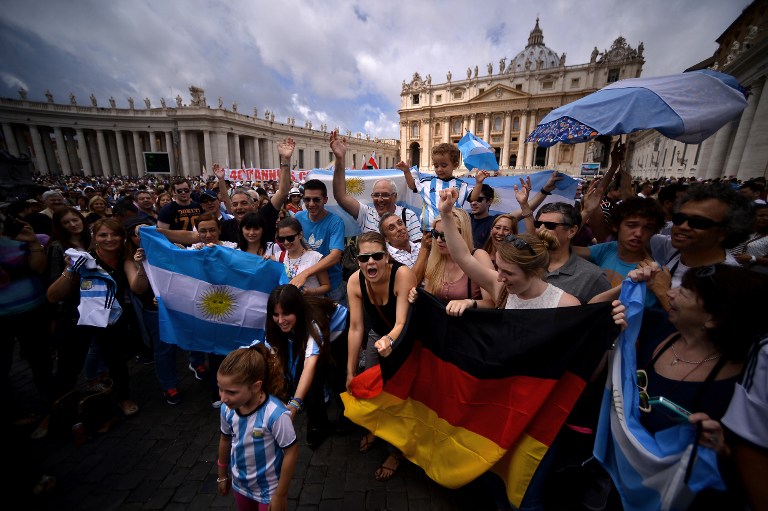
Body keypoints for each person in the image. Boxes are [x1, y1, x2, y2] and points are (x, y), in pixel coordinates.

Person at [609, 263, 767, 509]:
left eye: (684, 291)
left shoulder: (745, 381)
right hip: (624, 484)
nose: (669, 293)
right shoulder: (655, 326)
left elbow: (747, 464)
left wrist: (720, 448)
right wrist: (625, 290)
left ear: (713, 318)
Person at [46, 217, 141, 417]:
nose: (109, 239)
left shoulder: (126, 260)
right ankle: (56, 409)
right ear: (94, 237)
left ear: (123, 238)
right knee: (68, 367)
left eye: (115, 234)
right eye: (103, 235)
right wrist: (69, 269)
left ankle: (123, 397)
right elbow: (53, 296)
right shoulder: (83, 259)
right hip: (77, 320)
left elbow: (137, 287)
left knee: (117, 363)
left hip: (110, 321)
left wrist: (141, 268)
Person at [430, 188, 580, 309]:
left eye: (508, 272)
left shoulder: (567, 305)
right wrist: (446, 214)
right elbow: (463, 257)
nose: (499, 277)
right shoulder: (500, 288)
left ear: (534, 271)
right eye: (499, 269)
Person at [346, 231, 417, 481]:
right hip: (377, 336)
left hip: (404, 338)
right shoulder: (355, 281)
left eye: (377, 256)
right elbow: (356, 328)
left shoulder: (403, 274)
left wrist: (389, 340)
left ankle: (395, 452)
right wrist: (351, 370)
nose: (371, 262)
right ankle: (375, 429)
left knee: (398, 397)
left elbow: (400, 323)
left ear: (387, 257)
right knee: (371, 389)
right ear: (358, 261)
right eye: (365, 258)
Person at [216, 344, 298, 511]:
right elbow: (225, 439)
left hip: (269, 491)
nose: (223, 398)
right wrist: (222, 474)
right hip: (240, 486)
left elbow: (291, 451)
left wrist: (280, 495)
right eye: (220, 389)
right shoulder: (227, 409)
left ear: (255, 386)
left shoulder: (276, 415)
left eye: (231, 392)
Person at [649, 182, 753, 308]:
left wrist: (663, 293)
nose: (683, 226)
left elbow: (710, 326)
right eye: (679, 218)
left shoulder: (729, 282)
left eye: (698, 222)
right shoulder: (673, 248)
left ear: (725, 232)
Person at [0, 215, 54, 435]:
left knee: (41, 359)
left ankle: (51, 403)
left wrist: (33, 242)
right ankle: (11, 412)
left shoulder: (20, 242)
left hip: (32, 308)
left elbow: (39, 268)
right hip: (3, 315)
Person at [265, 285, 336, 448]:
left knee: (323, 378)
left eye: (286, 314)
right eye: (276, 314)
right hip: (306, 335)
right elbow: (270, 353)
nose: (280, 320)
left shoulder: (313, 323)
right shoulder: (277, 323)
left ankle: (319, 425)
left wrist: (295, 404)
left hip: (338, 337)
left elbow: (309, 365)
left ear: (297, 310)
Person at [331, 131, 421, 242]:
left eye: (385, 195)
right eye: (376, 195)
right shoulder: (366, 214)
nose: (379, 199)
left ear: (395, 196)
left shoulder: (408, 216)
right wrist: (340, 159)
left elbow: (419, 250)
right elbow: (340, 195)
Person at [423, 207, 496, 315]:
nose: (438, 240)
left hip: (470, 327)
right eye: (436, 234)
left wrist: (469, 303)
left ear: (461, 235)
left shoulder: (478, 256)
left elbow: (493, 303)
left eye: (444, 236)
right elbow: (428, 297)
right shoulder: (435, 258)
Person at [293, 179, 346, 304]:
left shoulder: (335, 222)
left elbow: (335, 256)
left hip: (332, 284)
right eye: (307, 199)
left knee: (337, 322)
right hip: (307, 284)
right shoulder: (298, 217)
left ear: (325, 199)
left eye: (316, 199)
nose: (311, 204)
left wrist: (305, 273)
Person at [398, 142, 472, 232]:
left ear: (455, 165)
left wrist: (479, 183)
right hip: (428, 230)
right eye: (436, 166)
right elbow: (412, 185)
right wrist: (406, 171)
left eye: (444, 165)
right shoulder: (428, 182)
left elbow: (473, 197)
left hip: (452, 231)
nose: (439, 169)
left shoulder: (461, 185)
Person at [271, 217, 330, 296]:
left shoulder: (315, 257)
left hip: (311, 305)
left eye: (290, 238)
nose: (286, 242)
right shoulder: (277, 257)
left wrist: (311, 292)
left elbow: (326, 285)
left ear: (300, 235)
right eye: (281, 239)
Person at [379, 212, 430, 282]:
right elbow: (411, 283)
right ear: (386, 238)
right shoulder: (388, 258)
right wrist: (424, 249)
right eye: (391, 228)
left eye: (400, 223)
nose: (399, 228)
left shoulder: (420, 245)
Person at [729, 202, 768, 273]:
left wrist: (752, 258)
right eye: (761, 215)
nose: (766, 218)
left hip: (756, 275)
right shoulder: (743, 231)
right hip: (733, 271)